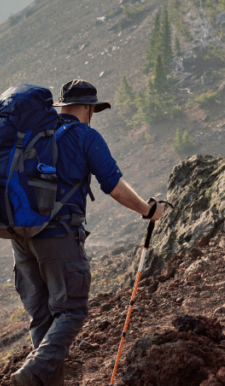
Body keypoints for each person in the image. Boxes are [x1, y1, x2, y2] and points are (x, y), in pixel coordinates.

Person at [11, 79, 163, 386]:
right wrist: (148, 211)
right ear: (90, 108)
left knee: (42, 318)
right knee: (72, 312)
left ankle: (39, 378)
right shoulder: (85, 136)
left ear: (62, 106)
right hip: (58, 237)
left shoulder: (34, 135)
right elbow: (115, 188)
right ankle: (33, 373)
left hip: (20, 237)